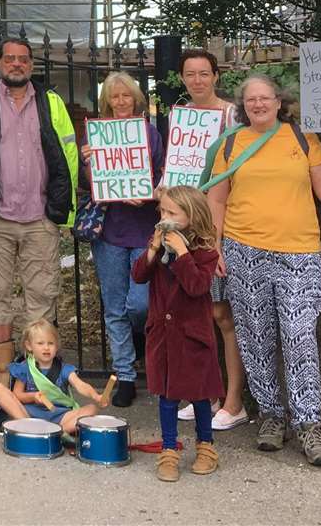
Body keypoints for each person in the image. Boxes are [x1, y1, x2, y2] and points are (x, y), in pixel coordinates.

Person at [204, 74, 321, 467]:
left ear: (279, 103)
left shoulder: (302, 140)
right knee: (255, 337)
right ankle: (271, 416)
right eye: (251, 101)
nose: (259, 105)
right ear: (242, 108)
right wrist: (215, 247)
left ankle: (308, 425)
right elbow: (217, 202)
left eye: (265, 99)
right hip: (244, 251)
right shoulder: (230, 145)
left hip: (299, 252)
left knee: (299, 337)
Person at [0, 36, 78, 391]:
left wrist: (63, 206)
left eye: (23, 59)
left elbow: (67, 154)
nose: (16, 64)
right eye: (9, 58)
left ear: (32, 65)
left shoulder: (51, 102)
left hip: (41, 216)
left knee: (42, 293)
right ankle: (4, 370)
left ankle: (36, 372)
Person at [79, 71, 164, 407]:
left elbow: (161, 173)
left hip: (145, 229)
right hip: (110, 232)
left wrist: (148, 192)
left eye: (126, 96)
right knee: (114, 306)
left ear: (136, 99)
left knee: (140, 304)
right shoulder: (94, 134)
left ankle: (139, 339)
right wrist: (88, 162)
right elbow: (87, 183)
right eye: (114, 97)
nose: (120, 102)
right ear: (106, 102)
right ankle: (125, 374)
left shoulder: (150, 133)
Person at [174, 48, 246, 430]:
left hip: (221, 221)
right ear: (183, 78)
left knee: (222, 314)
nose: (198, 80)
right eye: (190, 74)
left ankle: (234, 401)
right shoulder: (179, 116)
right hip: (188, 223)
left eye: (204, 73)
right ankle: (206, 394)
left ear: (216, 76)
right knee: (194, 313)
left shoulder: (234, 115)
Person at [132, 186, 225, 482]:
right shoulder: (159, 243)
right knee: (167, 396)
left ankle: (206, 446)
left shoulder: (205, 251)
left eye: (172, 213)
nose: (165, 218)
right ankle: (169, 449)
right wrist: (152, 250)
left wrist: (183, 254)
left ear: (192, 215)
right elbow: (139, 275)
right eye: (162, 211)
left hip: (191, 333)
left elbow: (197, 286)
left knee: (199, 395)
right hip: (163, 333)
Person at [0, 319, 111, 439]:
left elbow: (80, 385)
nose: (46, 348)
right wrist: (33, 397)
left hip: (59, 416)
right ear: (29, 346)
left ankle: (54, 433)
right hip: (30, 415)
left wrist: (96, 396)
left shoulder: (65, 369)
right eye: (40, 343)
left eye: (50, 343)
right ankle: (30, 427)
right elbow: (17, 395)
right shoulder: (25, 368)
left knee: (92, 409)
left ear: (56, 346)